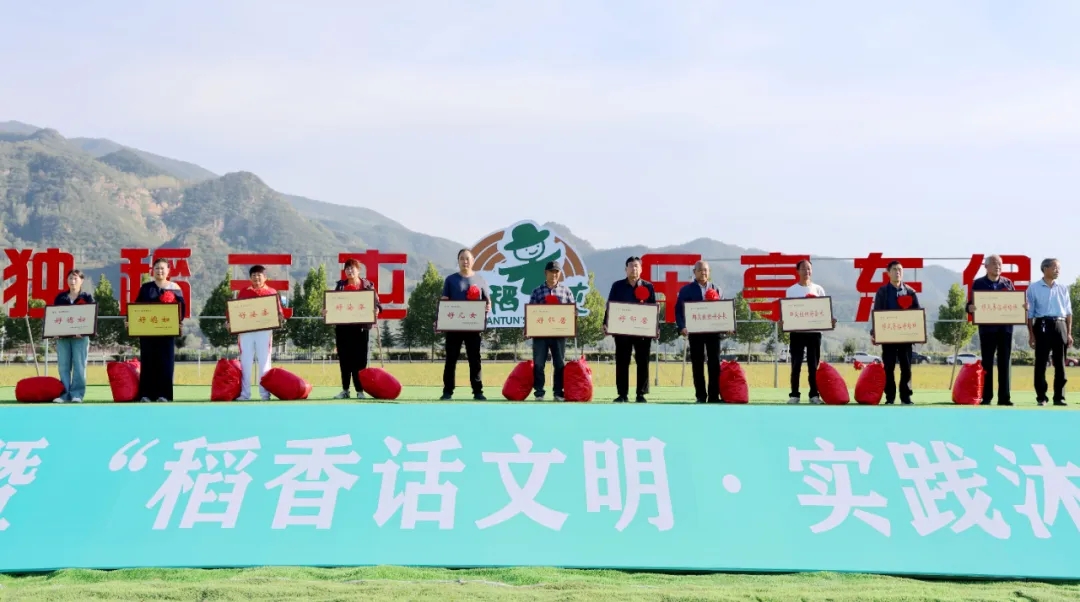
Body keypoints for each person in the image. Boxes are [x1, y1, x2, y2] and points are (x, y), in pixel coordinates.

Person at [965, 254, 1019, 406]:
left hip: (1005, 330)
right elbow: (969, 304)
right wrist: (970, 308)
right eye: (994, 263)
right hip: (987, 330)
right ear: (986, 266)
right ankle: (986, 397)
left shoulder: (1008, 283)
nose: (998, 266)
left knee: (1004, 363)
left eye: (1000, 264)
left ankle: (1004, 398)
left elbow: (1015, 303)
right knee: (987, 363)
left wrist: (1023, 306)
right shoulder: (978, 283)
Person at [227, 265, 286, 401]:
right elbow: (235, 311)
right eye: (253, 275)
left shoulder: (271, 292)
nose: (256, 278)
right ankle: (245, 394)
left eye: (259, 275)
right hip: (246, 332)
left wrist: (280, 317)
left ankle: (264, 394)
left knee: (264, 361)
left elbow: (279, 311)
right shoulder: (244, 292)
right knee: (245, 362)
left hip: (264, 332)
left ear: (265, 277)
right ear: (250, 278)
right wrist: (229, 322)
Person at [782, 259, 836, 405]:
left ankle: (814, 395)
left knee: (813, 366)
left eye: (809, 269)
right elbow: (788, 311)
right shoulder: (791, 290)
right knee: (796, 364)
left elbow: (824, 310)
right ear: (797, 271)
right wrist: (784, 321)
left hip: (814, 333)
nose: (806, 271)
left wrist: (829, 320)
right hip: (797, 333)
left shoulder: (818, 289)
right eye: (803, 269)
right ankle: (794, 395)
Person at [604, 256, 657, 403]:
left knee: (643, 361)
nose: (634, 269)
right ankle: (622, 394)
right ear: (626, 269)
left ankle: (641, 394)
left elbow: (653, 309)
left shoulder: (648, 287)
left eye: (637, 266)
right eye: (631, 266)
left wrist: (655, 327)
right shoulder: (617, 286)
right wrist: (606, 323)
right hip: (622, 331)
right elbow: (610, 305)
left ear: (641, 269)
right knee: (622, 361)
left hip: (642, 332)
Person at [440, 249, 490, 401]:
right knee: (451, 359)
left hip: (473, 328)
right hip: (454, 327)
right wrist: (441, 317)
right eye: (462, 258)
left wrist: (487, 308)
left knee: (475, 359)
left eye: (467, 258)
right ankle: (448, 391)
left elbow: (488, 302)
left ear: (473, 261)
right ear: (458, 261)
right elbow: (445, 301)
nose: (465, 261)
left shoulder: (480, 280)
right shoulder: (450, 280)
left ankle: (478, 391)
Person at [328, 259, 382, 400]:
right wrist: (327, 311)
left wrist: (376, 309)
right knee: (344, 360)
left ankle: (360, 390)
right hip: (343, 329)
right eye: (347, 269)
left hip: (361, 329)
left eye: (352, 268)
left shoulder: (367, 285)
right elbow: (333, 304)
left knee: (360, 361)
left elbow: (377, 303)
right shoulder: (340, 286)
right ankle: (345, 390)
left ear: (358, 270)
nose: (349, 271)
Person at [134, 258, 186, 402]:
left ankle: (164, 395)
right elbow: (137, 308)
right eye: (157, 268)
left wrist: (178, 322)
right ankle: (146, 395)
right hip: (147, 332)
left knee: (165, 363)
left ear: (168, 270)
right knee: (148, 362)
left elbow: (181, 310)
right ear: (153, 270)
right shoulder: (146, 288)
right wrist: (130, 321)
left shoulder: (174, 288)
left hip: (166, 332)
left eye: (162, 268)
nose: (159, 271)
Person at [870, 260, 920, 405]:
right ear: (888, 273)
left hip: (905, 337)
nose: (897, 272)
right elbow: (877, 312)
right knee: (889, 367)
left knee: (906, 367)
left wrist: (919, 332)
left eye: (900, 270)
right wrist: (874, 332)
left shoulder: (910, 292)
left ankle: (906, 397)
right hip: (888, 337)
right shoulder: (882, 292)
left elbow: (917, 314)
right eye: (894, 269)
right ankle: (890, 398)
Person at [1026, 258, 1073, 406]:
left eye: (1059, 268)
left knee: (1060, 363)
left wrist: (1069, 333)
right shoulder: (1033, 288)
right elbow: (1030, 314)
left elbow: (1068, 313)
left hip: (1060, 325)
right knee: (1041, 363)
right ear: (1045, 268)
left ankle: (1059, 397)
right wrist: (1031, 335)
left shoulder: (1063, 288)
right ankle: (1041, 397)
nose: (1057, 270)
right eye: (1054, 267)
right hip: (1042, 325)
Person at [674, 260, 723, 403]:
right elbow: (678, 311)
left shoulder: (716, 289)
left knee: (714, 363)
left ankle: (714, 396)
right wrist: (682, 326)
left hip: (713, 332)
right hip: (695, 332)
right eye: (700, 270)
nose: (703, 273)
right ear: (694, 272)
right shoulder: (686, 290)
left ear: (709, 272)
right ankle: (701, 396)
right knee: (697, 363)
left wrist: (728, 325)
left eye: (706, 270)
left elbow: (723, 310)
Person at [527, 260, 576, 401]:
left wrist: (573, 318)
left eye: (556, 272)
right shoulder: (537, 291)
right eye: (551, 271)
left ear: (559, 273)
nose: (554, 274)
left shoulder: (566, 291)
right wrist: (528, 329)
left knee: (559, 364)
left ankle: (558, 392)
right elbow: (531, 313)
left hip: (559, 334)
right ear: (545, 273)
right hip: (540, 335)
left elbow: (573, 310)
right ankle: (539, 393)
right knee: (538, 364)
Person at [51, 269, 94, 403]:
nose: (72, 281)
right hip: (63, 338)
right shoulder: (60, 297)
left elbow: (91, 317)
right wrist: (55, 332)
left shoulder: (87, 298)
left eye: (75, 278)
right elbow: (54, 316)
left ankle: (77, 394)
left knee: (79, 365)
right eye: (70, 278)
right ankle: (64, 394)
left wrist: (84, 331)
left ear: (82, 280)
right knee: (63, 366)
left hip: (80, 338)